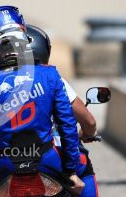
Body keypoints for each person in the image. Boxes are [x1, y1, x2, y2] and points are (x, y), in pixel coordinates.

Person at [0, 6, 84, 197]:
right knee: (85, 167)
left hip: (5, 163)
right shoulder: (50, 75)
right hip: (48, 158)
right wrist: (70, 170)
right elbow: (68, 126)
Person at [26, 24, 99, 196]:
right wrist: (87, 133)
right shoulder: (53, 79)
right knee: (84, 167)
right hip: (51, 154)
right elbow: (89, 121)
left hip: (7, 158)